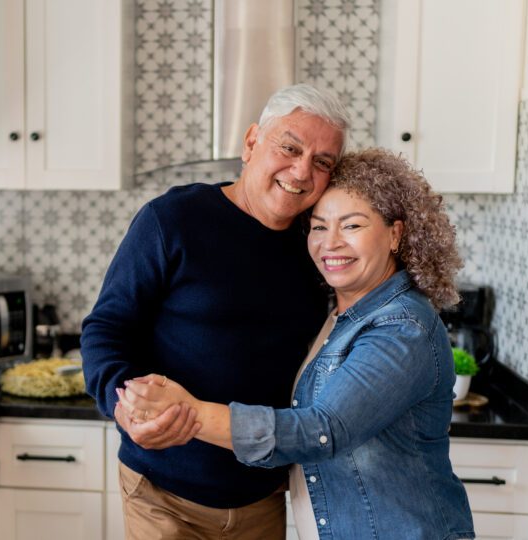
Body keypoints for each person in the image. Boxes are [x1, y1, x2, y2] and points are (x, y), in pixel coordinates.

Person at [119, 148, 476, 539]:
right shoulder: (342, 313)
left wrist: (187, 413)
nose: (331, 243)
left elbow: (322, 430)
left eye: (352, 226)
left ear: (395, 233)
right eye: (319, 227)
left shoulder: (402, 325)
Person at [81, 84, 350, 539]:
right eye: (289, 146)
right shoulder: (172, 220)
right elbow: (106, 327)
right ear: (250, 143)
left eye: (322, 162)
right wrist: (122, 404)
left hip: (263, 495)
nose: (301, 170)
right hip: (163, 495)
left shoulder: (318, 245)